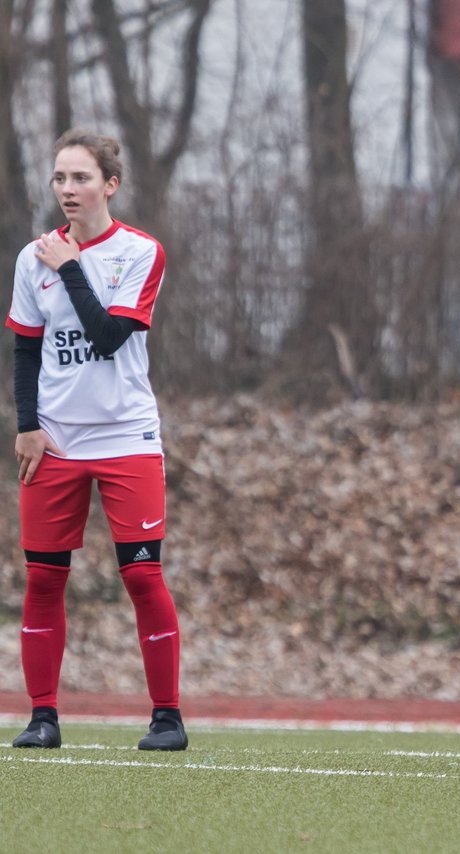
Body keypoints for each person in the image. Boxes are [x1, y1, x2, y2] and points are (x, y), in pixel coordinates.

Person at [7, 129, 186, 751]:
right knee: (44, 580)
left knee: (142, 577)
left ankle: (167, 718)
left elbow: (110, 338)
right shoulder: (35, 259)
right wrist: (27, 425)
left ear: (110, 184)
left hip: (126, 438)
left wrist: (74, 269)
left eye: (80, 178)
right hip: (54, 443)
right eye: (59, 178)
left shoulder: (141, 252)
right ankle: (43, 718)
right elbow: (26, 349)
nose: (67, 189)